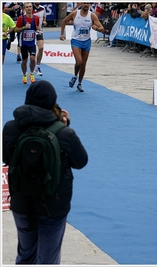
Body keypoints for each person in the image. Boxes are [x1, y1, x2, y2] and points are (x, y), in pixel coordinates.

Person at [2, 80, 88, 264]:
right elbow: (81, 162)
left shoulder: (10, 127)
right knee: (48, 259)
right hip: (53, 205)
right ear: (53, 102)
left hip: (21, 202)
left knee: (25, 254)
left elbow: (6, 158)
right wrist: (66, 126)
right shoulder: (64, 133)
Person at [60, 2, 104, 92]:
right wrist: (62, 34)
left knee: (83, 64)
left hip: (86, 42)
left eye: (88, 3)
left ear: (89, 5)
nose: (86, 5)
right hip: (76, 40)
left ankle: (79, 84)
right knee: (79, 61)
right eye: (84, 3)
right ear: (81, 4)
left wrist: (97, 28)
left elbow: (102, 28)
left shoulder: (92, 16)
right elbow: (64, 21)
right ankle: (75, 76)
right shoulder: (75, 13)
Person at [14, 2, 41, 84]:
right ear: (24, 9)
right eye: (27, 7)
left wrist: (38, 31)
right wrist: (24, 27)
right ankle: (24, 74)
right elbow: (16, 29)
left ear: (32, 8)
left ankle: (32, 73)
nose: (29, 8)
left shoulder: (36, 18)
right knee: (24, 60)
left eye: (30, 7)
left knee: (33, 58)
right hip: (24, 43)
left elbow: (37, 28)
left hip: (32, 42)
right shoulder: (21, 18)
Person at [32, 2, 46, 76]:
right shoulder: (29, 8)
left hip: (39, 31)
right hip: (30, 32)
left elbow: (44, 17)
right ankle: (31, 68)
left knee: (41, 48)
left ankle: (37, 67)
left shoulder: (42, 8)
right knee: (32, 53)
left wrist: (44, 21)